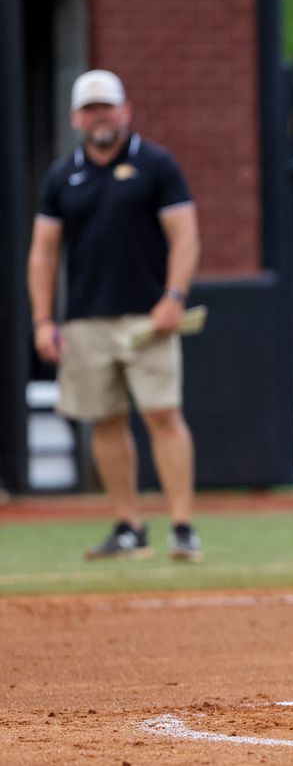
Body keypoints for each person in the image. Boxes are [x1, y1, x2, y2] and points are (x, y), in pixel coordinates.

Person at [27, 70, 204, 562]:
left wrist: (174, 295)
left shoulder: (156, 164)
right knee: (104, 421)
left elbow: (185, 235)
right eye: (89, 109)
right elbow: (43, 253)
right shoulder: (63, 176)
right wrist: (44, 320)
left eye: (106, 107)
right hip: (85, 320)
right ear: (75, 118)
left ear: (125, 110)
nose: (99, 116)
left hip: (148, 317)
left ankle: (183, 525)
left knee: (163, 413)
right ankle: (129, 525)